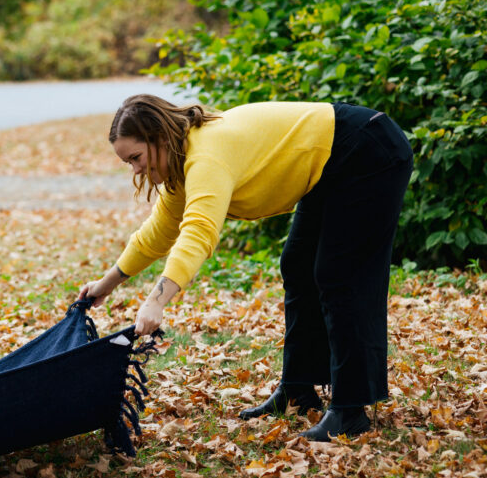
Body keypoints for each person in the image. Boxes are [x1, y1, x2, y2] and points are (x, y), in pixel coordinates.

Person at [78, 95, 413, 443]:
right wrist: (107, 283)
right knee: (298, 266)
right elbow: (158, 233)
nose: (134, 170)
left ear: (159, 138)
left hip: (367, 150)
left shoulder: (206, 155)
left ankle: (351, 409)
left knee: (340, 275)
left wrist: (157, 300)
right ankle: (298, 391)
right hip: (331, 162)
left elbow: (198, 232)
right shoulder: (181, 161)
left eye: (136, 157)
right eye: (127, 162)